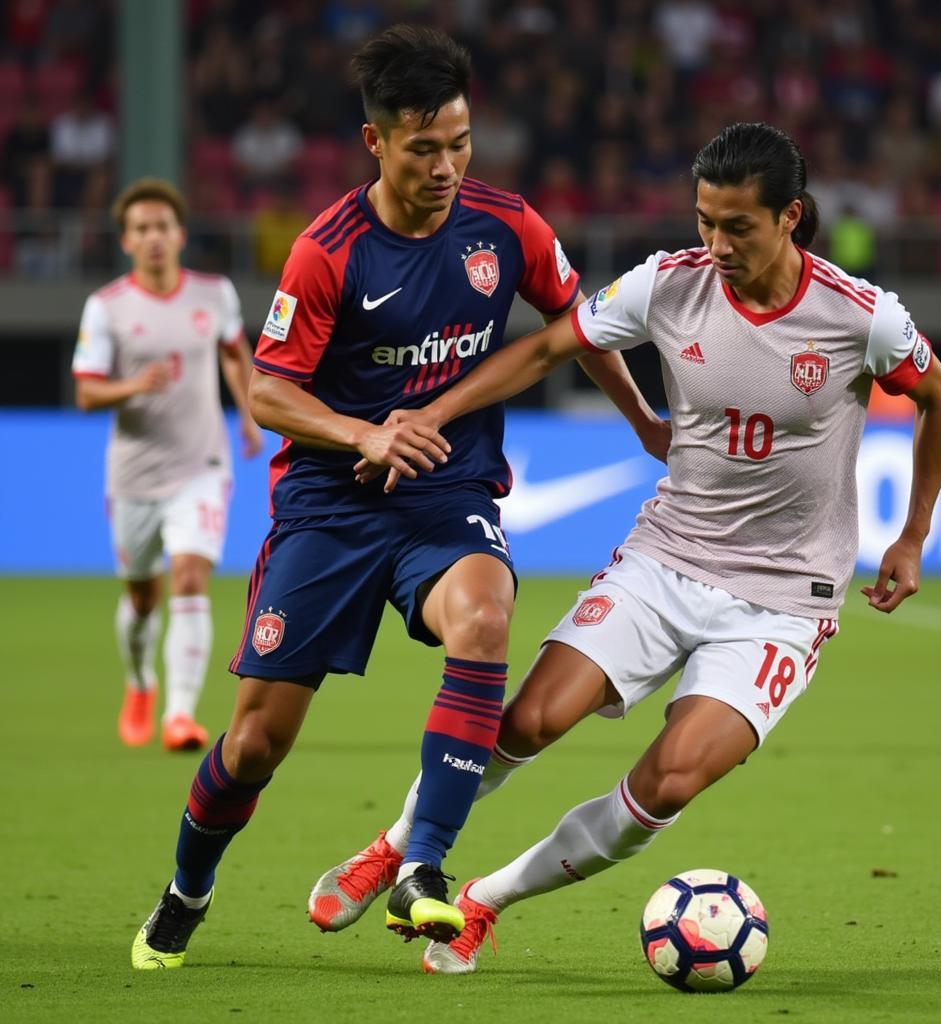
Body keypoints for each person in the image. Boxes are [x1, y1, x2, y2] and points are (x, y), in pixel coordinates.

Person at [310, 121, 941, 974]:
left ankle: (483, 901)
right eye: (704, 221)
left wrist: (912, 535)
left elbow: (940, 396)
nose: (715, 244)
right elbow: (550, 345)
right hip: (667, 556)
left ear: (790, 216)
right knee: (530, 719)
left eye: (738, 227)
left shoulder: (861, 317)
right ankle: (395, 847)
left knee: (671, 780)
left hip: (783, 601)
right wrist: (432, 416)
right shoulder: (666, 286)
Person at [130, 24, 664, 970]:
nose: (448, 165)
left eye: (460, 143)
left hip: (444, 493)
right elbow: (264, 391)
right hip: (329, 506)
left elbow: (577, 326)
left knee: (486, 618)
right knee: (254, 746)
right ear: (375, 143)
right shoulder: (327, 252)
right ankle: (186, 890)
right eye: (425, 149)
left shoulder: (506, 227)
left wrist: (643, 421)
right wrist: (364, 432)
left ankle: (423, 867)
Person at [72, 177, 264, 753]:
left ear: (179, 234)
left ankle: (180, 715)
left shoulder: (214, 294)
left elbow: (236, 354)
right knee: (142, 597)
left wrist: (250, 412)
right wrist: (134, 385)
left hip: (202, 463)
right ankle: (140, 684)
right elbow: (86, 393)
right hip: (133, 474)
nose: (154, 237)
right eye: (142, 229)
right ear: (127, 241)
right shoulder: (107, 307)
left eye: (163, 226)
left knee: (189, 576)